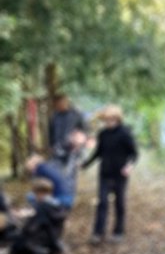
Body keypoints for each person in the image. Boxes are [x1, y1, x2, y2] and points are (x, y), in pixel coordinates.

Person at [81, 105, 138, 243]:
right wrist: (86, 164)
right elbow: (98, 152)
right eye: (105, 120)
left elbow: (134, 153)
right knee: (102, 202)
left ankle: (118, 232)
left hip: (120, 174)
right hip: (105, 173)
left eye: (110, 119)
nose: (108, 122)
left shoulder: (125, 133)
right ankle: (98, 233)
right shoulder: (103, 134)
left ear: (117, 119)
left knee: (119, 202)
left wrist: (129, 166)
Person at [10, 177, 66, 254]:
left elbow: (31, 227)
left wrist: (21, 227)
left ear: (40, 193)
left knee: (17, 245)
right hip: (54, 237)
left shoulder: (42, 206)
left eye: (35, 194)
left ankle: (41, 252)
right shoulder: (57, 204)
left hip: (43, 240)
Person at [48, 94, 87, 165]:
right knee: (57, 171)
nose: (58, 106)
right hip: (58, 148)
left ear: (66, 102)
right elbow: (51, 131)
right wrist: (51, 145)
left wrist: (79, 142)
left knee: (70, 172)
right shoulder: (54, 116)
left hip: (72, 149)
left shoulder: (76, 114)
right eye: (56, 104)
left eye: (60, 103)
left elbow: (84, 130)